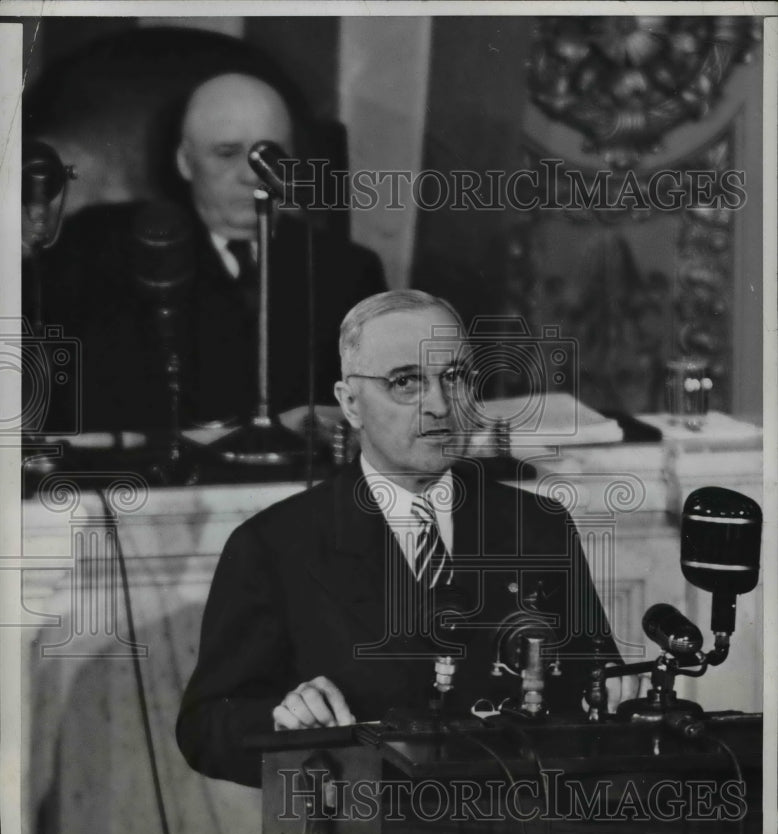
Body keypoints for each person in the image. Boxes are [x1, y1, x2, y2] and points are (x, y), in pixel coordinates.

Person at [176, 290, 627, 788]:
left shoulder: (536, 524)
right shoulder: (275, 545)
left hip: (522, 822)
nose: (440, 406)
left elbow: (598, 680)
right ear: (350, 403)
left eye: (454, 377)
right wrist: (283, 720)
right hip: (367, 824)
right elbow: (206, 726)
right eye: (406, 382)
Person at [28, 72, 385, 434]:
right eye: (227, 154)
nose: (253, 175)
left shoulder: (350, 271)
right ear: (185, 161)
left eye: (271, 155)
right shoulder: (100, 249)